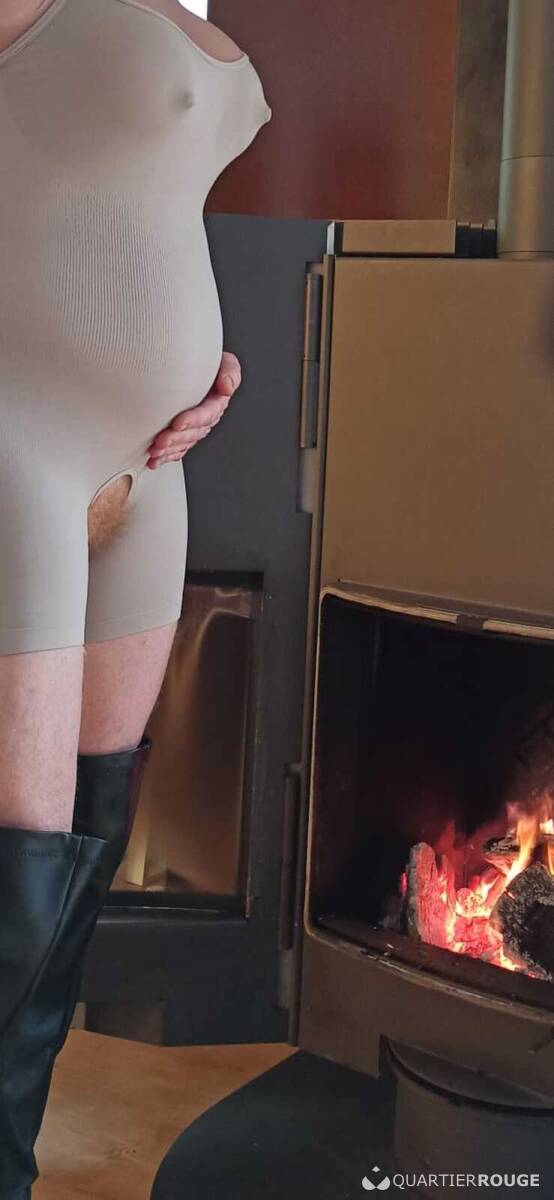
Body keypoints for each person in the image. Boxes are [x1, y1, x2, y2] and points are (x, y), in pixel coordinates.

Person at [0, 0, 272, 1194]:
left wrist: (198, 357)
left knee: (75, 878)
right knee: (15, 887)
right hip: (16, 447)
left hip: (150, 465)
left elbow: (130, 204)